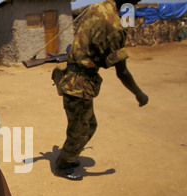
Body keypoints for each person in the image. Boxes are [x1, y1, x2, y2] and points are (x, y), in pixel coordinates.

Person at [53, 0, 149, 181]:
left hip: (76, 81)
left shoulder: (98, 7)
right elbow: (123, 72)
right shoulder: (114, 27)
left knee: (87, 125)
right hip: (79, 85)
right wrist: (139, 94)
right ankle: (63, 165)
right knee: (80, 130)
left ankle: (69, 157)